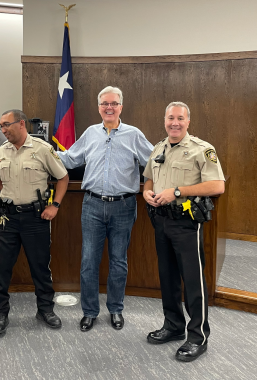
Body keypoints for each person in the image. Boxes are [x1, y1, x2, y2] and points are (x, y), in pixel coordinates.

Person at [58, 86, 153, 332]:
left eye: (113, 103)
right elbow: (70, 159)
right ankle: (89, 312)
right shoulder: (90, 133)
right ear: (99, 107)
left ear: (121, 107)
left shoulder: (134, 134)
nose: (109, 107)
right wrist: (41, 151)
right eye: (104, 104)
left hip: (124, 206)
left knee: (118, 261)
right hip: (92, 205)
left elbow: (154, 163)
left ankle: (116, 309)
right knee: (89, 261)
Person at [143, 102, 225, 362]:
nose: (174, 123)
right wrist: (146, 192)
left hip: (186, 222)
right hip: (160, 220)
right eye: (170, 118)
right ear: (164, 120)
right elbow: (149, 177)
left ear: (188, 121)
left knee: (192, 280)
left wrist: (178, 191)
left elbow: (217, 186)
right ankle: (173, 326)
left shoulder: (202, 149)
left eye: (180, 118)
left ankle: (198, 337)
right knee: (167, 277)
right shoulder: (158, 148)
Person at [0, 109, 69, 335]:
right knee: (1, 269)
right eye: (1, 126)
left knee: (40, 267)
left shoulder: (42, 149)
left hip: (35, 217)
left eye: (6, 125)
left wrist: (55, 205)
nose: (3, 130)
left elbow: (63, 178)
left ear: (21, 123)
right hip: (7, 218)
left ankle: (45, 310)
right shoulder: (0, 151)